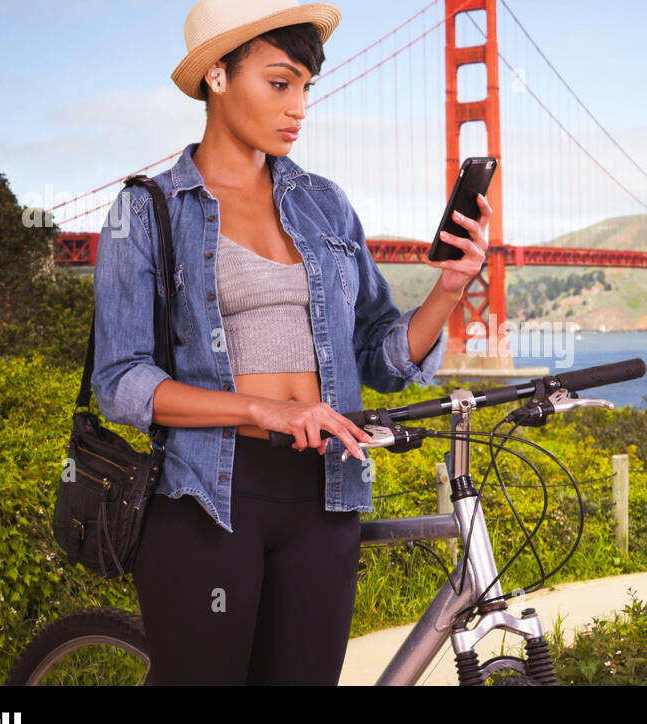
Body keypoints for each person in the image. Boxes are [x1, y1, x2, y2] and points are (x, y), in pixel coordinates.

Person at [91, 0, 490, 685]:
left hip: (325, 495)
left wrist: (451, 288)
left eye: (306, 86)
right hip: (206, 500)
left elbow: (382, 355)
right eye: (279, 83)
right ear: (217, 76)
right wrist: (261, 410)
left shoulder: (325, 204)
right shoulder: (146, 210)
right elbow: (121, 381)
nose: (297, 106)